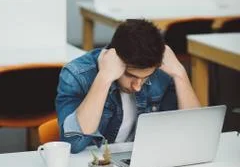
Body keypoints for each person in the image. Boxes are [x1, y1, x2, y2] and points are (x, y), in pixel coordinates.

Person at [56, 19, 200, 153]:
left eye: (145, 78)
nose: (137, 86)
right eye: (131, 76)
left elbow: (194, 134)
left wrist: (180, 74)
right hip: (95, 165)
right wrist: (104, 77)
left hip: (142, 159)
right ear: (115, 58)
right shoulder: (76, 74)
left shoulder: (160, 72)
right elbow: (73, 144)